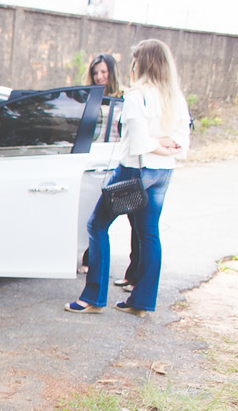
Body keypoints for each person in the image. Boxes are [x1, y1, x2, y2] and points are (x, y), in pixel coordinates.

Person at [66, 39, 190, 316]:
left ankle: (93, 298)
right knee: (149, 234)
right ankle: (141, 302)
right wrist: (163, 144)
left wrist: (151, 142)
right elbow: (182, 143)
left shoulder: (137, 96)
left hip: (135, 171)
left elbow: (137, 144)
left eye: (134, 61)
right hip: (163, 172)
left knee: (97, 226)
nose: (132, 66)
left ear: (141, 64)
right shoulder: (175, 97)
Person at [85, 51, 139, 285]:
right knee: (92, 214)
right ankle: (88, 258)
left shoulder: (125, 98)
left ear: (112, 73)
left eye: (103, 72)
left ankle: (134, 272)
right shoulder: (89, 97)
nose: (99, 77)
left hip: (119, 160)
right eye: (95, 73)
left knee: (133, 220)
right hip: (94, 160)